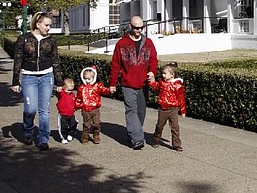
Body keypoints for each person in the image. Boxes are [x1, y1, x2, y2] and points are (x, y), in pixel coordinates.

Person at [11, 12, 63, 151]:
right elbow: (18, 60)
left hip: (47, 76)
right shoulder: (24, 39)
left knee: (44, 110)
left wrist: (59, 82)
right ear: (37, 24)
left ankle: (43, 139)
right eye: (46, 25)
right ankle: (28, 131)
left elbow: (55, 61)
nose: (48, 28)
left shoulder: (51, 40)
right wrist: (16, 81)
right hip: (29, 77)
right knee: (30, 109)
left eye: (50, 26)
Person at [109, 16, 158, 150]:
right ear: (130, 27)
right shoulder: (121, 44)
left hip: (143, 84)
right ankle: (137, 139)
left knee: (141, 112)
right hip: (127, 84)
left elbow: (154, 60)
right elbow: (115, 64)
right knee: (131, 110)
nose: (139, 30)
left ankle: (134, 132)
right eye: (136, 28)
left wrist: (152, 72)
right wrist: (112, 83)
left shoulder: (148, 42)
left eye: (141, 27)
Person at [149, 62, 186, 151]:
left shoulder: (178, 85)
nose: (163, 75)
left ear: (172, 75)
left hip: (173, 109)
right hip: (163, 109)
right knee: (159, 126)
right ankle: (156, 140)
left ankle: (176, 144)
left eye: (165, 73)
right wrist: (151, 81)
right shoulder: (162, 83)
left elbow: (181, 98)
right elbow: (156, 86)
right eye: (163, 73)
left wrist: (183, 110)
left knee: (175, 127)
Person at [75, 66, 114, 145]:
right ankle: (85, 138)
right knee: (86, 125)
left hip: (95, 109)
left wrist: (109, 90)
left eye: (89, 79)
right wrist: (75, 106)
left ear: (94, 78)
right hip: (85, 109)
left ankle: (96, 135)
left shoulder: (97, 86)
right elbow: (78, 98)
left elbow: (104, 90)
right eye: (85, 78)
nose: (87, 81)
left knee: (97, 123)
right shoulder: (81, 88)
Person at [56, 78, 78, 144]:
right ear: (64, 88)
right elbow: (58, 94)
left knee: (74, 124)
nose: (70, 91)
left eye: (71, 90)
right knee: (63, 127)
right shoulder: (62, 94)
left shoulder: (72, 95)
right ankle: (63, 137)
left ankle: (71, 134)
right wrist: (58, 90)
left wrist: (75, 107)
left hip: (71, 113)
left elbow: (74, 102)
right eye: (68, 90)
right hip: (63, 114)